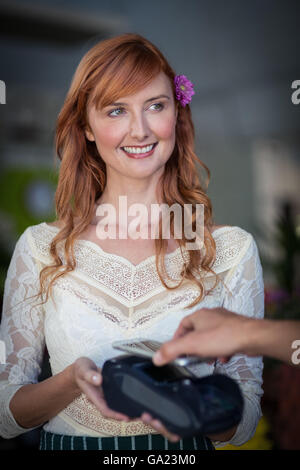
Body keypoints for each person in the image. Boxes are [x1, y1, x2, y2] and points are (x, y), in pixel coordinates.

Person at [0, 33, 264, 451]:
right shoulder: (41, 249)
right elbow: (5, 414)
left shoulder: (230, 252)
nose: (139, 130)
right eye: (116, 110)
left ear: (176, 114)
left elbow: (246, 413)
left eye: (155, 106)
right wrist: (71, 382)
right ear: (86, 126)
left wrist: (190, 405)